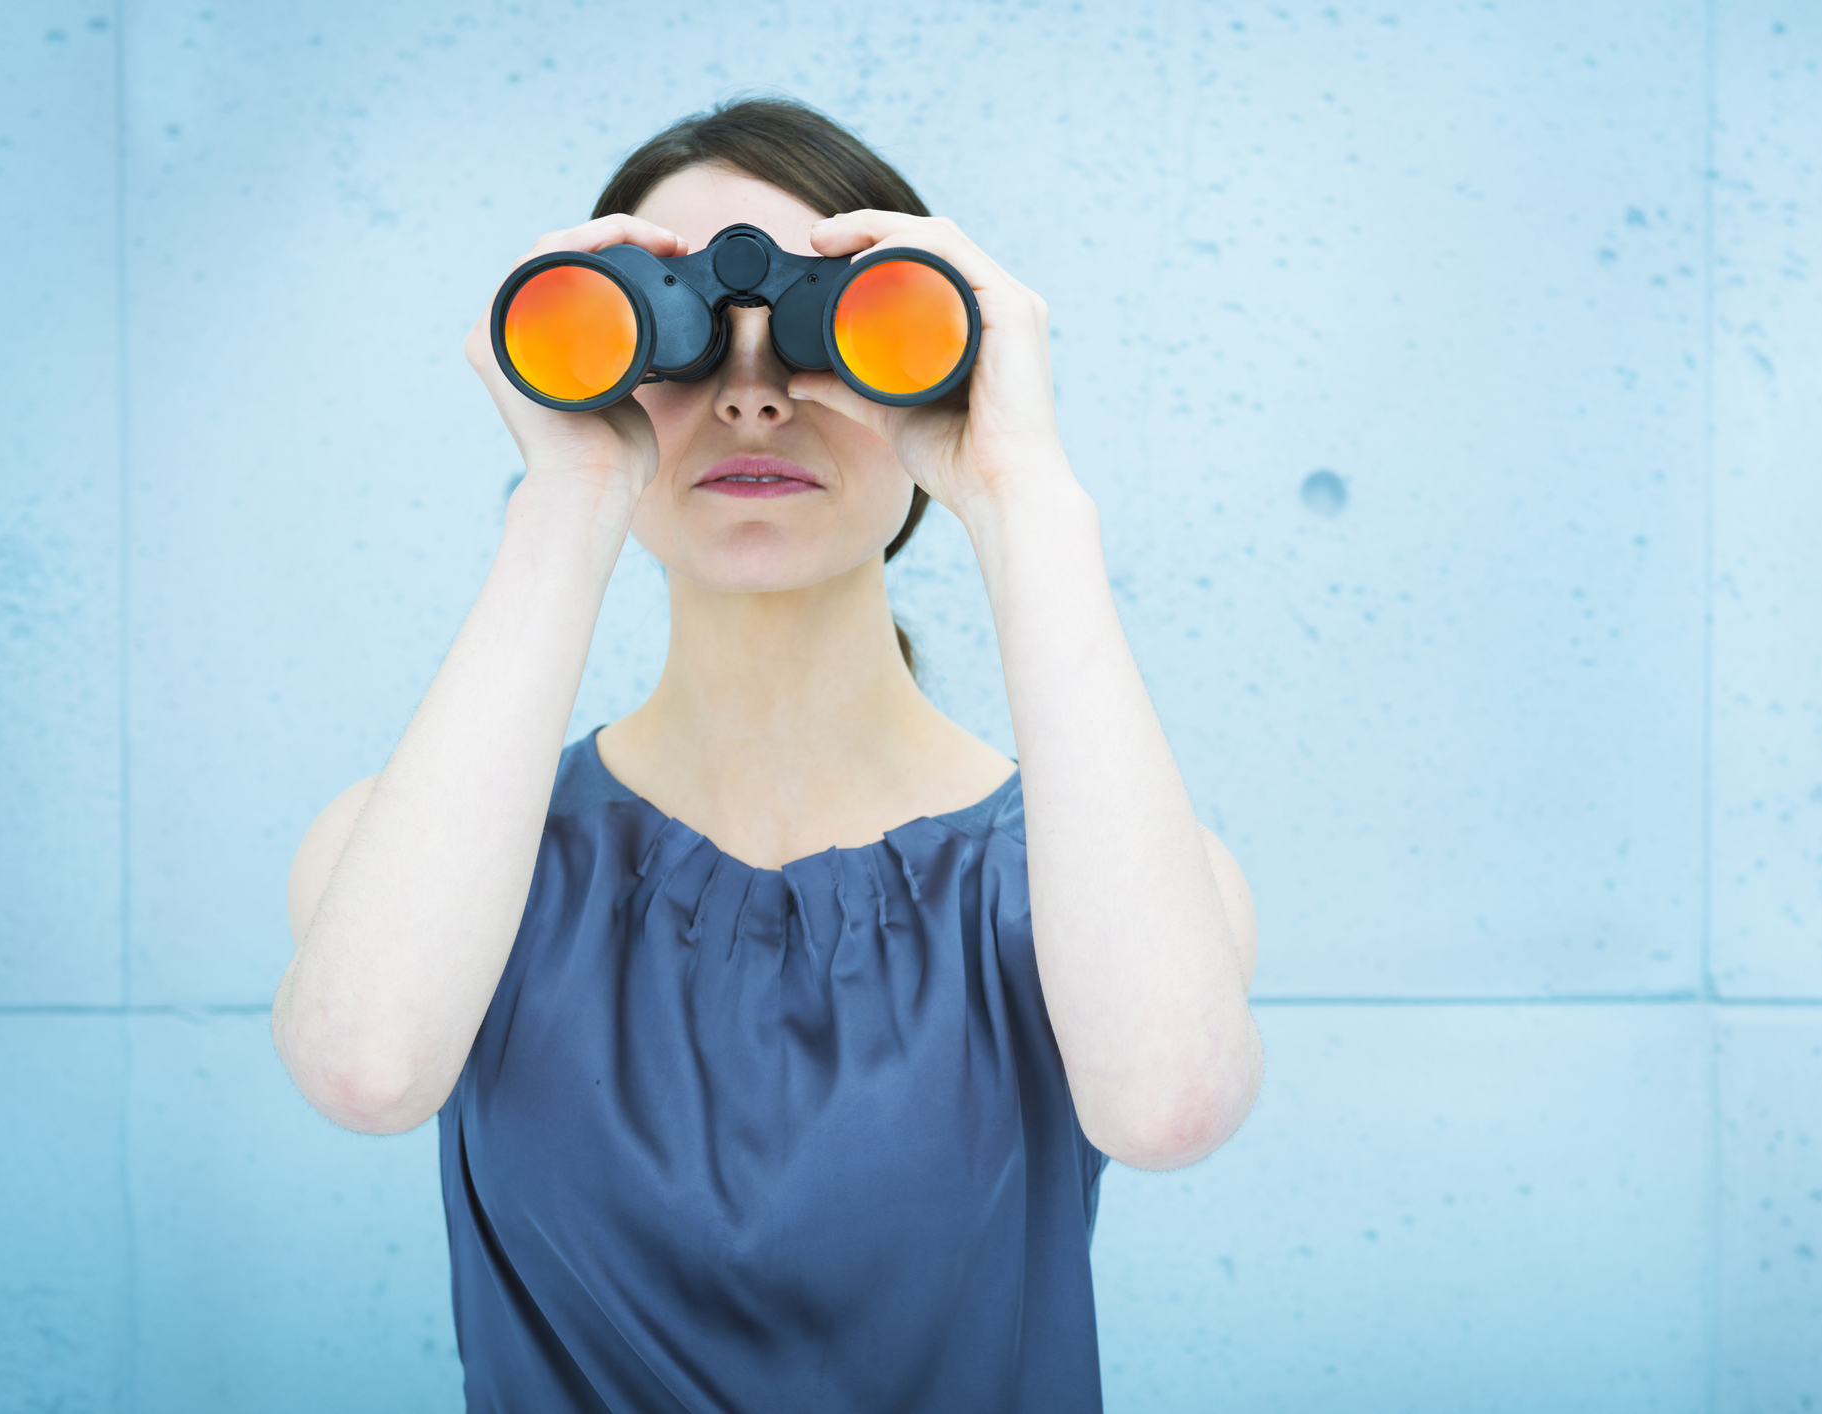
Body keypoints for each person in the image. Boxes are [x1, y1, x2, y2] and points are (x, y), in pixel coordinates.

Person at [272, 97, 1261, 1413]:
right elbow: (367, 1066)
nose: (751, 393)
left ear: (946, 361)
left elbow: (1169, 1102)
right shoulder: (429, 862)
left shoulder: (1103, 882)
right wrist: (571, 489)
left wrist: (1026, 495)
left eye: (832, 329)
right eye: (673, 337)